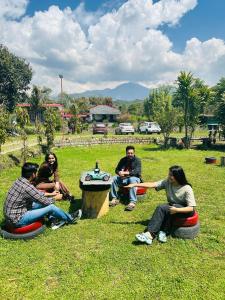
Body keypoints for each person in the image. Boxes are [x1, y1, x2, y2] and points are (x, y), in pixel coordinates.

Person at [126, 165, 196, 244]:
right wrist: (135, 185)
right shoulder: (168, 182)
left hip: (185, 211)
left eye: (171, 175)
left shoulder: (187, 188)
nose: (169, 176)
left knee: (170, 207)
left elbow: (191, 208)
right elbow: (153, 184)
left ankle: (162, 232)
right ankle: (150, 235)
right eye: (169, 174)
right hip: (173, 207)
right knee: (161, 208)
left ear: (178, 176)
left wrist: (177, 210)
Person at [3, 162, 82, 229]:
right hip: (18, 220)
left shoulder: (19, 180)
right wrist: (55, 198)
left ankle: (53, 220)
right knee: (51, 207)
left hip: (11, 215)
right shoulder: (27, 187)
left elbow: (36, 194)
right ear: (33, 174)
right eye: (36, 172)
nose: (37, 174)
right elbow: (45, 201)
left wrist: (51, 194)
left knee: (41, 204)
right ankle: (70, 218)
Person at [110, 145, 142, 211]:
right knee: (113, 178)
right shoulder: (123, 160)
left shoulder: (137, 160)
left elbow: (137, 172)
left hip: (134, 178)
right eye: (128, 153)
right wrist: (119, 173)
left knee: (131, 179)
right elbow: (116, 170)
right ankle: (114, 198)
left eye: (131, 153)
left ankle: (132, 202)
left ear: (134, 153)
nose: (130, 154)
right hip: (123, 178)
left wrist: (125, 173)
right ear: (126, 153)